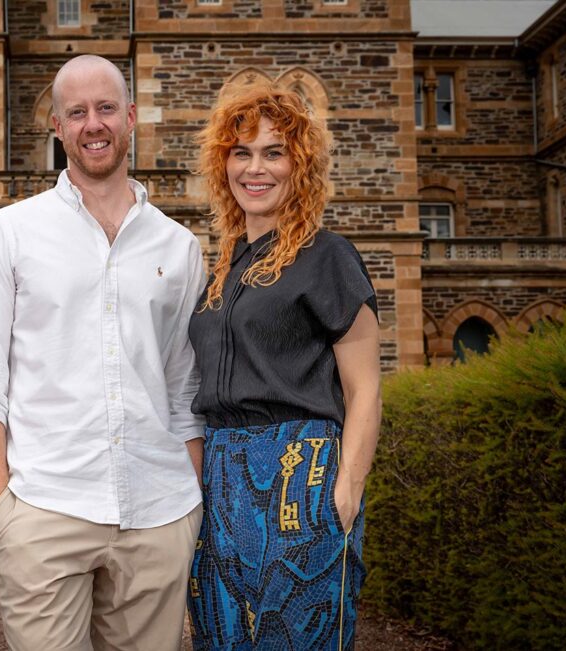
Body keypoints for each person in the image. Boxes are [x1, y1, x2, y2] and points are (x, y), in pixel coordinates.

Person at [0, 54, 205, 650]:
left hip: (159, 511)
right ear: (57, 125)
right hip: (45, 509)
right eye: (77, 112)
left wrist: (189, 503)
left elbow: (184, 390)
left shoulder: (180, 246)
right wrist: (2, 514)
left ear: (132, 117)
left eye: (106, 108)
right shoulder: (10, 231)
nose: (94, 124)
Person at [186, 86, 381, 650]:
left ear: (301, 165)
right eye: (241, 152)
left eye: (274, 152)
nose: (256, 168)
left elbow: (365, 388)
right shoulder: (223, 268)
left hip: (303, 471)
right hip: (222, 477)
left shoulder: (328, 256)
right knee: (221, 638)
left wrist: (347, 491)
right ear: (223, 164)